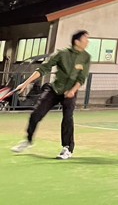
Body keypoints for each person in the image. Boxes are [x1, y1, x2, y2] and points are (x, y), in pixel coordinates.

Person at [11, 30, 91, 160]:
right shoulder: (62, 53)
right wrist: (25, 84)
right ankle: (28, 140)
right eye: (86, 39)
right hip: (54, 89)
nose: (88, 42)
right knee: (36, 114)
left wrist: (72, 90)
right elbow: (44, 69)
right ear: (77, 41)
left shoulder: (86, 57)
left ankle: (67, 148)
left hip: (70, 92)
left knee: (68, 119)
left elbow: (82, 78)